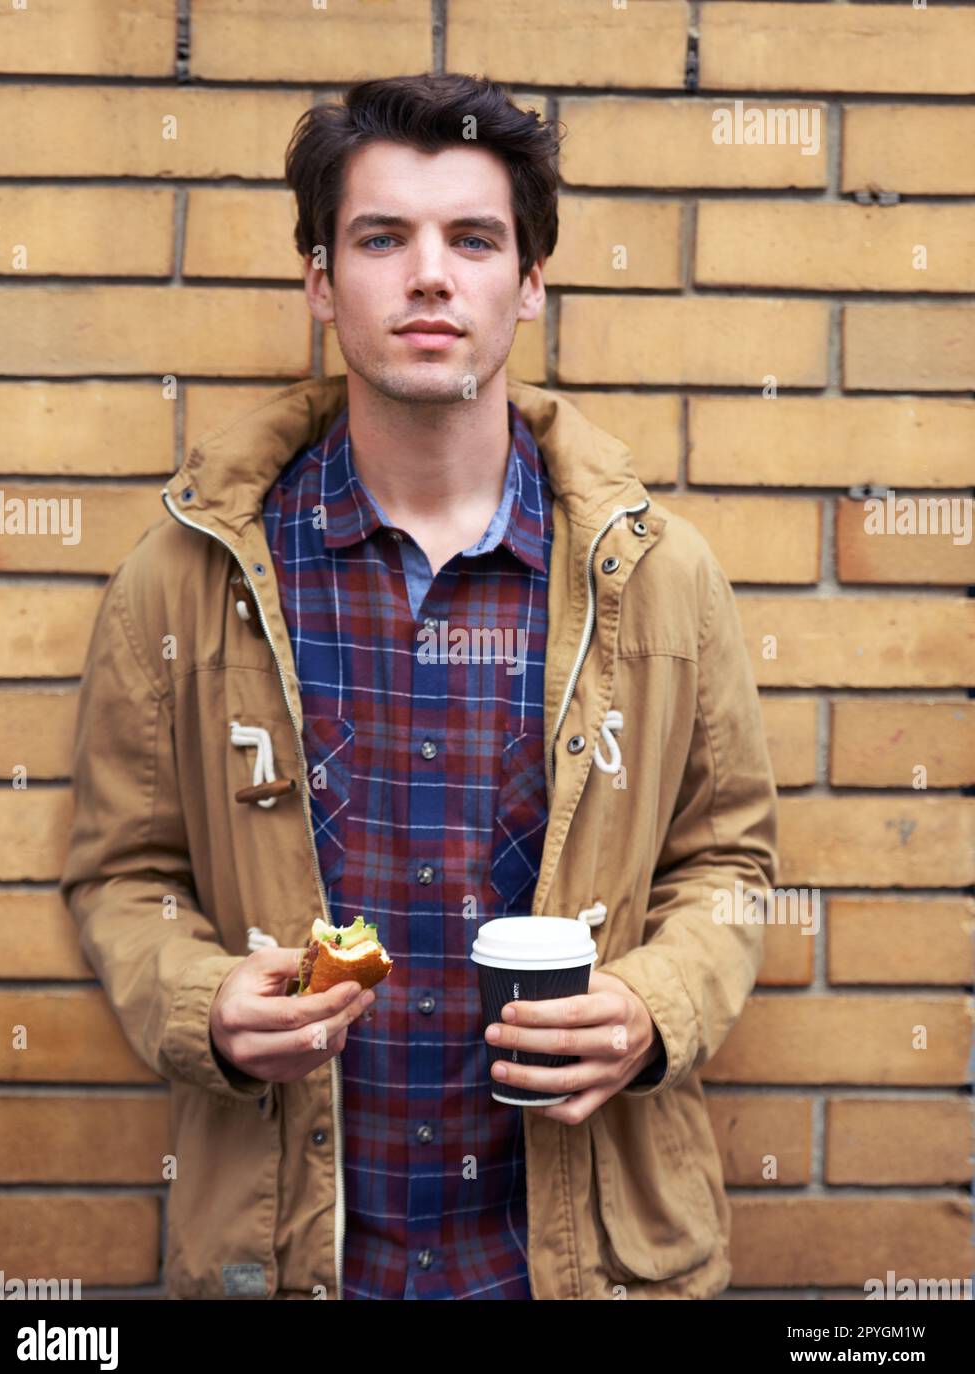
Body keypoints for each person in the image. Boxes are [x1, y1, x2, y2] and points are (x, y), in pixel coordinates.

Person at [59, 71, 779, 1301]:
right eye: (383, 237)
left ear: (530, 284)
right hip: (288, 1257)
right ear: (323, 283)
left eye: (475, 239)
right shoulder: (189, 574)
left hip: (579, 1265)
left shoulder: (656, 576)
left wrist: (655, 1007)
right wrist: (200, 1002)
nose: (430, 275)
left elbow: (734, 864)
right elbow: (123, 871)